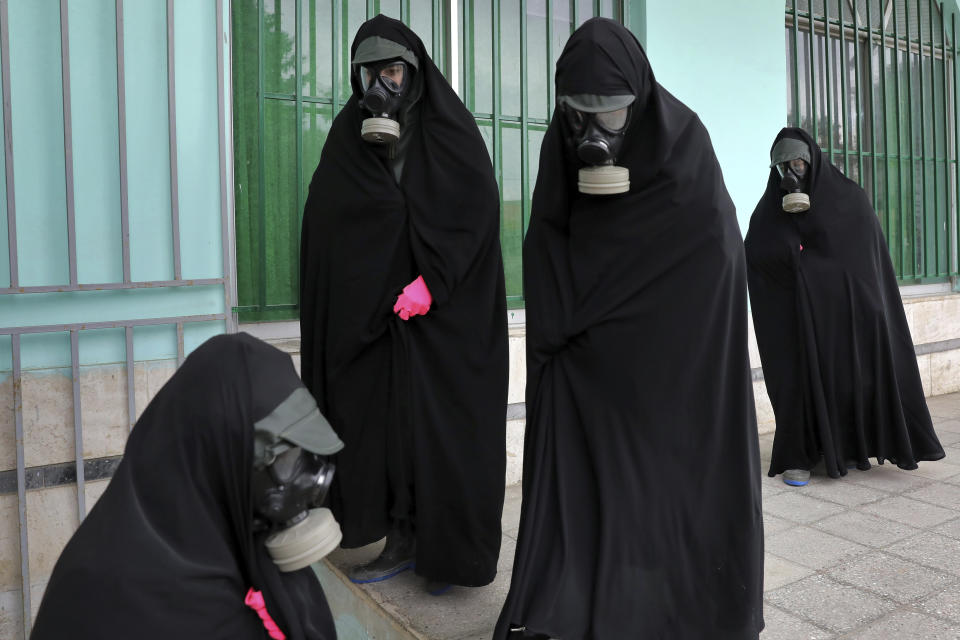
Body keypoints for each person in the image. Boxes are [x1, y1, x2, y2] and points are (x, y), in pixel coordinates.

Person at [494, 18, 764, 640]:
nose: (592, 134)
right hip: (587, 369)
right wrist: (570, 326)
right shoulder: (559, 149)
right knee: (589, 500)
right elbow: (547, 245)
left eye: (610, 116)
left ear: (638, 101)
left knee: (662, 501)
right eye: (577, 115)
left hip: (668, 375)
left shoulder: (683, 144)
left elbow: (716, 259)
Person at [298, 14, 508, 592]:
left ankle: (448, 555)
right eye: (369, 74)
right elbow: (328, 225)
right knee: (387, 437)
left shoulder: (449, 130)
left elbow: (476, 215)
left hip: (447, 324)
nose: (381, 87)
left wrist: (432, 284)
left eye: (392, 72)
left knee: (445, 440)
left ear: (413, 73)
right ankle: (400, 541)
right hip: (379, 325)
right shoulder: (348, 137)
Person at [31, 333, 344, 639]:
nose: (308, 480)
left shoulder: (244, 540)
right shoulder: (107, 595)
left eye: (301, 452)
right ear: (218, 455)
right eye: (283, 458)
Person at [744, 127, 945, 487]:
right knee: (798, 383)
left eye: (798, 165)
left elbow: (864, 265)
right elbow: (758, 256)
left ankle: (853, 447)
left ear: (813, 162)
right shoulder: (770, 211)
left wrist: (819, 271)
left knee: (853, 379)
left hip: (846, 318)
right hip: (797, 324)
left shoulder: (849, 199)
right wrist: (792, 260)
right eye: (782, 167)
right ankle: (799, 456)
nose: (790, 176)